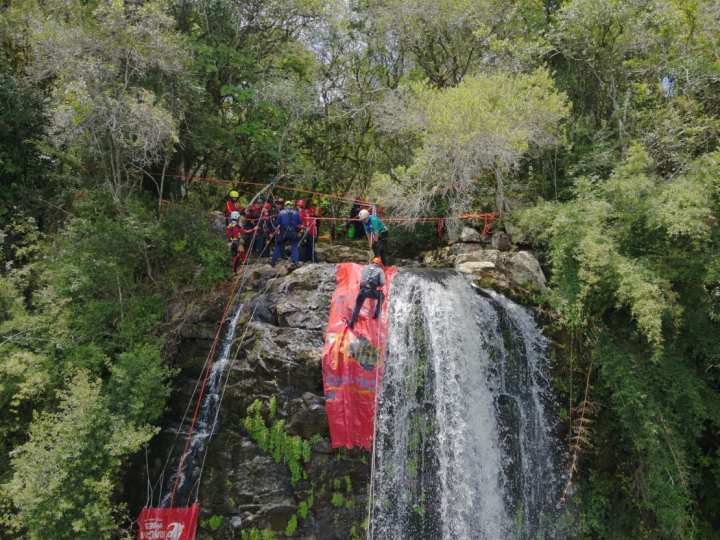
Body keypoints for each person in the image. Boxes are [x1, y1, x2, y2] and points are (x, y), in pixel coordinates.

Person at [345, 257, 386, 329]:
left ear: (371, 262)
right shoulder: (380, 271)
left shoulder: (365, 267)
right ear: (379, 264)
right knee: (381, 296)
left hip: (362, 291)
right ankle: (377, 313)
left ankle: (352, 322)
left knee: (357, 306)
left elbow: (365, 276)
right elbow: (382, 283)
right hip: (372, 291)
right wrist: (378, 282)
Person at [271, 201, 304, 268]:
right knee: (294, 246)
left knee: (278, 245)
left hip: (284, 232)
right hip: (293, 232)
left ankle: (273, 262)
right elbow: (301, 222)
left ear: (285, 206)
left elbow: (277, 222)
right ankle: (296, 262)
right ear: (291, 206)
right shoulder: (296, 213)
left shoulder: (281, 212)